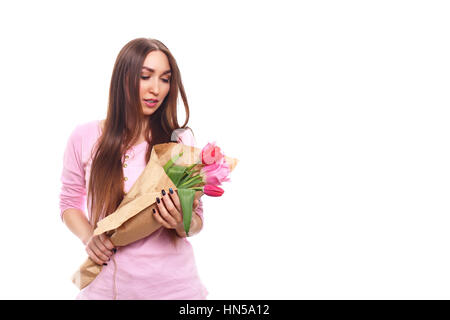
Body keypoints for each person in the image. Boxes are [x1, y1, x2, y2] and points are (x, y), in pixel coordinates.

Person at [59, 38, 208, 300]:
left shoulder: (178, 142)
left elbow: (196, 221)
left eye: (165, 79)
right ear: (123, 79)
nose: (156, 89)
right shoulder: (84, 137)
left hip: (175, 291)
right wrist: (89, 238)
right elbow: (69, 202)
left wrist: (181, 223)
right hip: (105, 291)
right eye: (145, 76)